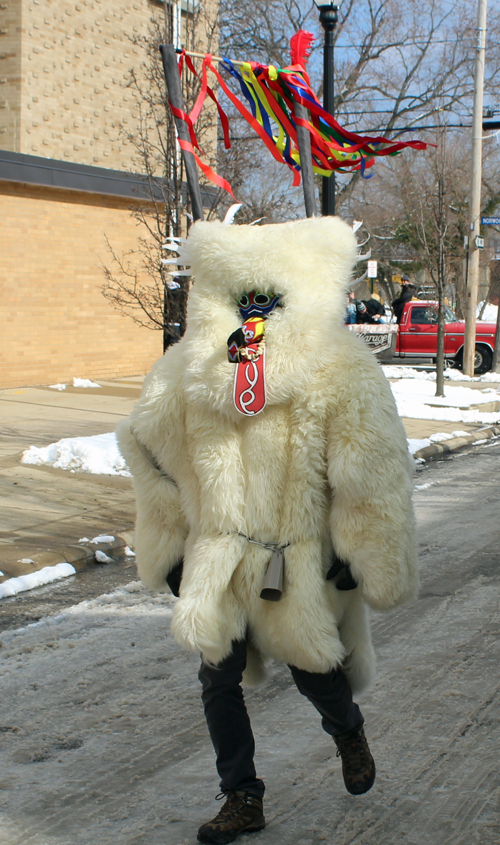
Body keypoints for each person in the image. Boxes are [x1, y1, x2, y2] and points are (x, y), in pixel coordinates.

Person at [118, 217, 418, 845]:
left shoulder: (339, 368)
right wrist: (171, 546)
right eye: (243, 299)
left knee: (315, 670)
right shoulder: (188, 372)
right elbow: (148, 452)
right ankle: (242, 796)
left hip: (298, 556)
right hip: (220, 553)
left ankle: (347, 730)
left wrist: (361, 553)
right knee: (217, 678)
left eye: (268, 300)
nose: (254, 314)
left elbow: (373, 470)